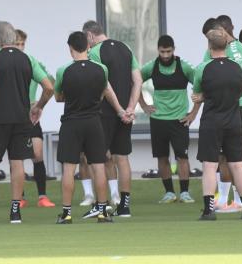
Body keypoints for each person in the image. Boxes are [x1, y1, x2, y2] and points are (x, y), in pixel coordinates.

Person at [0, 21, 54, 224]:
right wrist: (38, 106)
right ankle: (15, 211)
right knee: (17, 163)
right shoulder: (28, 58)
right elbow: (49, 87)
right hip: (21, 119)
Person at [54, 32, 130, 224]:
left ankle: (66, 213)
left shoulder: (63, 70)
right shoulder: (101, 69)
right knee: (98, 166)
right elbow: (104, 92)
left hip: (72, 123)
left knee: (69, 169)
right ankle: (103, 211)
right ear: (88, 46)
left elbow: (58, 97)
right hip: (95, 122)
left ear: (70, 48)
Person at [83, 21, 141, 218]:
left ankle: (102, 204)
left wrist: (118, 109)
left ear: (90, 36)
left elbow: (104, 84)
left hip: (104, 113)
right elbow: (138, 81)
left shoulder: (95, 52)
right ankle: (124, 206)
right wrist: (130, 108)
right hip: (126, 113)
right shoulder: (126, 48)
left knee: (96, 158)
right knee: (122, 158)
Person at [192, 29, 242, 221]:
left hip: (211, 121)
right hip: (233, 121)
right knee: (237, 165)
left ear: (209, 47)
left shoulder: (203, 68)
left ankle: (209, 210)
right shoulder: (237, 68)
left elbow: (197, 94)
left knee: (210, 166)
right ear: (226, 45)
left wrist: (202, 96)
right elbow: (238, 90)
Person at [139, 35, 196, 204]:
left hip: (179, 120)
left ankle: (185, 192)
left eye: (168, 51)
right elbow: (134, 84)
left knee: (182, 157)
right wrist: (143, 106)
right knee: (162, 157)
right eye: (162, 51)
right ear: (158, 50)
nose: (165, 55)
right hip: (158, 120)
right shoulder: (151, 67)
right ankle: (169, 192)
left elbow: (200, 86)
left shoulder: (184, 66)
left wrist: (193, 113)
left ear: (174, 50)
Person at [15, 29, 56, 208]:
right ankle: (20, 197)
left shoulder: (33, 62)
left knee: (37, 154)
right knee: (17, 158)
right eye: (17, 44)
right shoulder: (5, 63)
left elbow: (51, 83)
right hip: (14, 115)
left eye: (22, 44)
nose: (20, 47)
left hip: (31, 115)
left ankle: (42, 197)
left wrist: (38, 104)